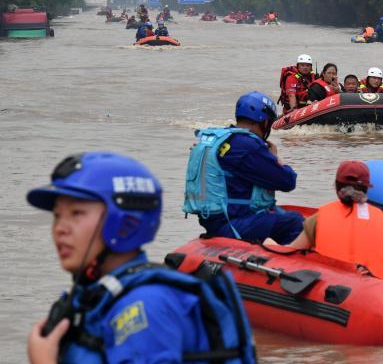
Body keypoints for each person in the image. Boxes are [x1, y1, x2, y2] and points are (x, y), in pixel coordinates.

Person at [26, 152, 255, 364]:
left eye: (76, 213)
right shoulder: (98, 294)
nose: (60, 228)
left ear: (124, 222)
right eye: (57, 215)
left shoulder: (147, 304)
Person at [268, 161, 383, 284]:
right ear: (366, 189)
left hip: (334, 294)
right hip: (378, 294)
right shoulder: (380, 221)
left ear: (336, 187)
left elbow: (290, 252)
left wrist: (268, 244)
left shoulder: (319, 219)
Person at [184, 91, 303, 243]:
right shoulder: (246, 145)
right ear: (265, 122)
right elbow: (288, 181)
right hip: (233, 223)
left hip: (213, 221)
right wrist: (275, 156)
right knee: (294, 221)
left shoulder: (221, 138)